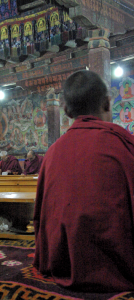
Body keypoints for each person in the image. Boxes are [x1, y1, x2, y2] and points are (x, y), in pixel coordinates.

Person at [33, 70, 134, 292]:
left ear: (67, 110)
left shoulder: (51, 153)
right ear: (108, 104)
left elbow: (41, 218)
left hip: (64, 266)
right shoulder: (125, 146)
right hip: (122, 269)